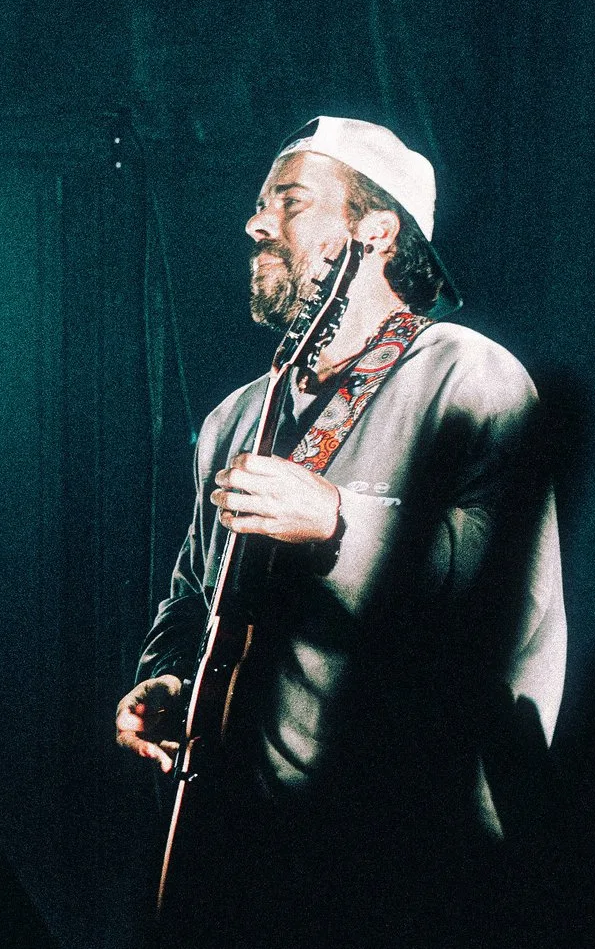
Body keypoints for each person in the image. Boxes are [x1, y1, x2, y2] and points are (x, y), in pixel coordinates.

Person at [116, 118, 565, 830]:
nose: (256, 223)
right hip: (245, 846)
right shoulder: (238, 418)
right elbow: (191, 595)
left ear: (377, 232)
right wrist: (170, 676)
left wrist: (338, 524)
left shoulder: (467, 376)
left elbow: (513, 595)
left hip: (414, 851)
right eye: (263, 203)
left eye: (290, 201)